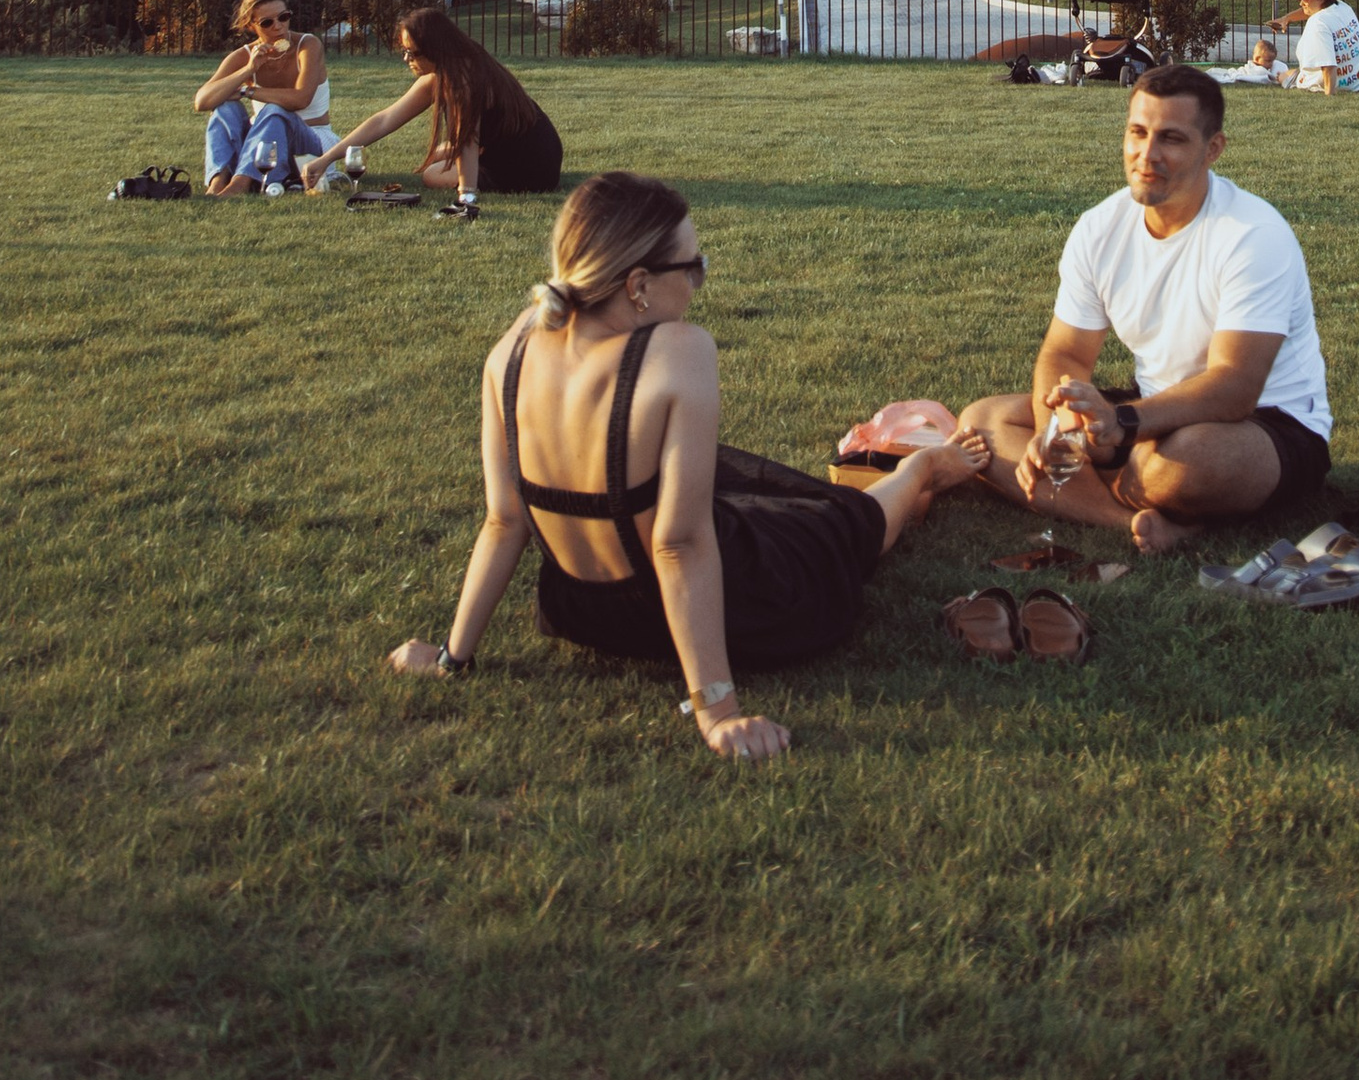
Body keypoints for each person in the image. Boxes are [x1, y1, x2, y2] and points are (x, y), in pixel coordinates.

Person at [387, 173, 988, 760]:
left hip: (579, 611)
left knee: (726, 481)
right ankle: (923, 469)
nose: (698, 283)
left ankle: (886, 483)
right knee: (843, 525)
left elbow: (504, 521)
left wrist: (451, 658)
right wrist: (718, 713)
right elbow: (679, 545)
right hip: (737, 607)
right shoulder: (679, 351)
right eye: (693, 267)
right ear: (639, 284)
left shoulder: (513, 347)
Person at [956, 65, 1332, 557]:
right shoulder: (1101, 227)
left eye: (1171, 139)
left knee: (1179, 464)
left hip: (1267, 423)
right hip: (1148, 412)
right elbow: (1067, 351)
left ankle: (1098, 484)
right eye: (1138, 133)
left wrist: (1121, 425)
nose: (1146, 155)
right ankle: (1130, 521)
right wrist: (1060, 428)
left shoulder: (1252, 234)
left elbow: (1235, 387)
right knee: (981, 423)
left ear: (1212, 148)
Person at [305, 4, 562, 212]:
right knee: (440, 152)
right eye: (404, 51)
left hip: (530, 166)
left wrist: (466, 196)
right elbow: (384, 120)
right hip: (536, 146)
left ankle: (484, 177)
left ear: (434, 49)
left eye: (412, 53)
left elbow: (467, 141)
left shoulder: (462, 80)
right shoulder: (449, 70)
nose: (407, 59)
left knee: (432, 174)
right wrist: (326, 159)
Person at [193, 0, 337, 193]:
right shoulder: (245, 55)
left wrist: (246, 91)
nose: (278, 26)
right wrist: (247, 70)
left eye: (284, 17)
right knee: (225, 109)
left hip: (311, 140)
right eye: (267, 22)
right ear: (251, 26)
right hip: (263, 145)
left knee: (274, 110)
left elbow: (300, 99)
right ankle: (218, 182)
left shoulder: (307, 45)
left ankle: (240, 184)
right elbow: (202, 101)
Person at [1288, 0, 1359, 95]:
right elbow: (1308, 10)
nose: (1301, 3)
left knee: (1283, 75)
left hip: (1343, 85)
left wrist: (1329, 95)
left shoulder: (1318, 23)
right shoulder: (1341, 6)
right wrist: (1286, 18)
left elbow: (1327, 65)